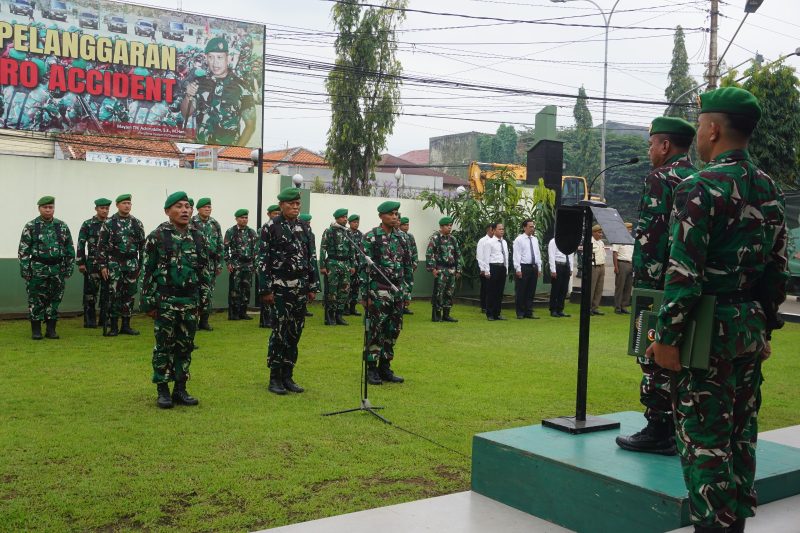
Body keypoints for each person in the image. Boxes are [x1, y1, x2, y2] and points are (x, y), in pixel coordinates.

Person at [649, 87, 787, 533]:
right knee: (741, 436)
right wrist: (765, 327)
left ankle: (713, 525)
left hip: (705, 332)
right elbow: (776, 269)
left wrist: (666, 338)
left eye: (700, 124)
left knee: (705, 442)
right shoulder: (768, 187)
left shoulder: (699, 186)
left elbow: (684, 274)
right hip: (748, 327)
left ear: (711, 129)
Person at [616, 116, 699, 456]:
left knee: (651, 350)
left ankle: (658, 428)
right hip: (686, 282)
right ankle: (677, 427)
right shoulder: (698, 178)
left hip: (658, 283)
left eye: (651, 144)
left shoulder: (661, 178)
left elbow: (653, 237)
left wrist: (645, 289)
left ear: (665, 146)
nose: (649, 151)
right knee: (684, 354)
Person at [141, 191, 211, 409]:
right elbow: (147, 271)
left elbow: (204, 272)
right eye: (179, 206)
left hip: (190, 301)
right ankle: (162, 389)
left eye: (187, 206)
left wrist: (204, 301)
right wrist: (148, 301)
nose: (185, 210)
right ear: (167, 211)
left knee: (185, 346)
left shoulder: (199, 237)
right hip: (166, 301)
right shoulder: (157, 236)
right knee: (164, 346)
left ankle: (180, 388)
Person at [258, 188, 319, 395]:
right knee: (279, 333)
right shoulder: (270, 227)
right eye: (291, 204)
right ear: (281, 205)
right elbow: (263, 260)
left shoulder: (304, 227)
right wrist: (265, 289)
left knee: (295, 332)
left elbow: (311, 257)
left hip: (300, 288)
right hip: (280, 289)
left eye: (297, 204)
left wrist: (313, 285)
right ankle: (275, 377)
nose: (295, 207)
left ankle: (288, 375)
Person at [360, 201, 411, 385]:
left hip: (397, 291)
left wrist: (407, 292)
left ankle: (385, 367)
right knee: (376, 330)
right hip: (378, 290)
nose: (394, 217)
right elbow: (363, 268)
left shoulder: (402, 238)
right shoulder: (371, 237)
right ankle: (372, 369)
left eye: (396, 214)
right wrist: (365, 294)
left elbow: (407, 266)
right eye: (391, 214)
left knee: (393, 330)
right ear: (381, 216)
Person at [179, 36, 257, 146]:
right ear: (206, 58)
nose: (215, 63)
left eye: (219, 57)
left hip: (226, 151)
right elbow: (185, 113)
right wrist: (188, 96)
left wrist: (235, 151)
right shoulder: (199, 83)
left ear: (228, 58)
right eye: (211, 57)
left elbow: (250, 126)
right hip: (202, 150)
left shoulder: (242, 87)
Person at [18, 196, 75, 340]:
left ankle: (51, 330)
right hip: (38, 269)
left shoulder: (61, 226)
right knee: (36, 299)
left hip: (57, 269)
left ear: (54, 208)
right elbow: (23, 250)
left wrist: (69, 268)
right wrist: (25, 270)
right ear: (39, 209)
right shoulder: (31, 226)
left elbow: (69, 248)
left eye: (51, 207)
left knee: (55, 299)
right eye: (45, 207)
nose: (48, 210)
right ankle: (36, 330)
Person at [96, 194, 146, 336]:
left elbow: (142, 247)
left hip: (131, 264)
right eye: (124, 203)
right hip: (114, 263)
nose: (127, 206)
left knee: (129, 295)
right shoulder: (109, 223)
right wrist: (103, 266)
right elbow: (101, 246)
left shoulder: (137, 223)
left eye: (129, 203)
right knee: (114, 295)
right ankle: (113, 327)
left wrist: (140, 265)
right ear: (117, 205)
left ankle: (126, 325)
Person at [76, 197, 111, 329]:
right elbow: (81, 243)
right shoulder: (88, 224)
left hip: (109, 263)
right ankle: (90, 320)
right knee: (90, 293)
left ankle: (105, 319)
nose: (105, 211)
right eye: (102, 208)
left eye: (107, 208)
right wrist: (81, 262)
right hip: (92, 263)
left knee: (107, 293)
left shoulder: (112, 223)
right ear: (96, 209)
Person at [191, 197, 223, 331]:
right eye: (205, 207)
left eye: (209, 207)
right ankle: (193, 321)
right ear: (198, 209)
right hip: (196, 263)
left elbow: (220, 244)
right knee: (195, 292)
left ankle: (204, 321)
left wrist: (219, 264)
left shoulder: (215, 223)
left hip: (211, 263)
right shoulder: (192, 222)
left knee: (208, 293)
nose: (208, 209)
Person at [320, 208, 356, 326]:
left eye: (346, 217)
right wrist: (322, 266)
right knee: (332, 291)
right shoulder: (329, 231)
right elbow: (323, 248)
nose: (345, 219)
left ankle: (339, 315)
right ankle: (330, 316)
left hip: (345, 264)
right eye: (342, 217)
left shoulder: (348, 232)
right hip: (333, 263)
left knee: (344, 290)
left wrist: (352, 265)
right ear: (336, 218)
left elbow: (352, 250)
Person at [224, 209, 258, 321]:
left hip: (248, 265)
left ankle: (243, 312)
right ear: (236, 219)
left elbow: (256, 249)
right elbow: (225, 249)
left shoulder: (251, 232)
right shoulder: (231, 231)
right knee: (235, 289)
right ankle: (233, 314)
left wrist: (255, 264)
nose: (244, 220)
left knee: (246, 289)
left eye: (246, 218)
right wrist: (228, 263)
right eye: (242, 218)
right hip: (236, 264)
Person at [426, 216, 461, 322]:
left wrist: (458, 269)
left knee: (449, 293)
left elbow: (458, 255)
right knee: (439, 293)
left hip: (451, 270)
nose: (449, 227)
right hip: (441, 269)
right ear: (441, 227)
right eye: (447, 226)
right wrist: (433, 269)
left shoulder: (453, 239)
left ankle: (446, 315)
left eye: (450, 225)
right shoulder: (436, 238)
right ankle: (437, 316)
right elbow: (429, 254)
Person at [512, 219, 542, 320]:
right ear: (524, 227)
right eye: (530, 227)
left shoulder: (535, 239)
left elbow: (537, 254)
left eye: (533, 226)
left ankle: (529, 311)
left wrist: (539, 267)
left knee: (531, 291)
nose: (532, 228)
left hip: (533, 267)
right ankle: (520, 312)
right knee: (521, 290)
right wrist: (518, 269)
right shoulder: (519, 239)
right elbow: (517, 255)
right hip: (523, 267)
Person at [259, 204, 282, 328]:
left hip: (279, 267)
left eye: (278, 213)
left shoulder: (282, 227)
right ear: (269, 214)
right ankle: (265, 320)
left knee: (277, 295)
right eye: (274, 213)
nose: (277, 215)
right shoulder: (265, 228)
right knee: (267, 292)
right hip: (267, 266)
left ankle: (273, 318)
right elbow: (261, 250)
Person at [480, 222, 509, 321]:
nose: (502, 231)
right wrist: (487, 271)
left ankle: (497, 313)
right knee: (491, 291)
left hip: (502, 267)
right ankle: (490, 314)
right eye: (499, 229)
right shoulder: (489, 242)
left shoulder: (504, 242)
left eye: (503, 229)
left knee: (499, 292)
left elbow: (506, 256)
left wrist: (506, 268)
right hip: (493, 267)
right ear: (493, 230)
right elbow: (486, 258)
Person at [547, 237, 575, 318]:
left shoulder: (568, 241)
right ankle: (553, 310)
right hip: (558, 265)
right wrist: (553, 270)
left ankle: (560, 309)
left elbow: (571, 255)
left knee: (564, 289)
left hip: (566, 266)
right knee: (556, 289)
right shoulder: (553, 241)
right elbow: (551, 256)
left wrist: (571, 268)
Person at [612, 222, 634, 314]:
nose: (630, 231)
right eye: (628, 229)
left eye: (630, 229)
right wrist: (616, 266)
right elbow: (615, 253)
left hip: (630, 264)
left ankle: (624, 306)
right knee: (620, 287)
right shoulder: (618, 239)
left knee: (628, 287)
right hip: (622, 263)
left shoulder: (632, 240)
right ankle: (617, 307)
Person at [299, 213, 318, 318]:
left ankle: (304, 307)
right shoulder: (298, 233)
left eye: (309, 222)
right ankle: (300, 308)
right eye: (306, 222)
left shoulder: (311, 234)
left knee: (307, 285)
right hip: (300, 263)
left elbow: (312, 249)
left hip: (309, 262)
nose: (308, 224)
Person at [398, 216, 419, 315]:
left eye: (407, 225)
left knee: (409, 285)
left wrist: (415, 263)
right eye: (404, 225)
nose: (406, 227)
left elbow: (414, 250)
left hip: (409, 265)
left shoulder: (410, 236)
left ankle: (405, 306)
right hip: (400, 265)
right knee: (400, 285)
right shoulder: (398, 235)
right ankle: (399, 305)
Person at [344, 214, 363, 317]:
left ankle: (353, 307)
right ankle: (345, 307)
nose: (356, 224)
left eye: (357, 222)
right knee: (347, 286)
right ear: (349, 223)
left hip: (358, 265)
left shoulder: (361, 235)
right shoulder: (345, 233)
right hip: (348, 265)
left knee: (356, 287)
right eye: (354, 222)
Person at [476, 224, 494, 313]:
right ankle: (484, 307)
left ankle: (492, 306)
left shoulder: (496, 240)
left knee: (492, 288)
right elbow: (480, 256)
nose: (493, 232)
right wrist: (482, 269)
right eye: (492, 230)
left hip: (494, 267)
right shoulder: (482, 241)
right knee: (485, 288)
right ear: (488, 230)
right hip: (484, 268)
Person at [589, 224, 606, 316]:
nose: (601, 234)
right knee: (591, 288)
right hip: (593, 267)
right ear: (594, 233)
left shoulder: (601, 243)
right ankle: (588, 308)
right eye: (599, 232)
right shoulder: (590, 242)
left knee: (599, 288)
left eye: (601, 232)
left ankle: (595, 307)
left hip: (601, 266)